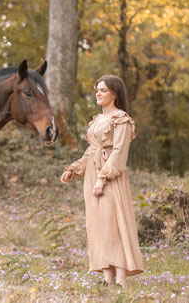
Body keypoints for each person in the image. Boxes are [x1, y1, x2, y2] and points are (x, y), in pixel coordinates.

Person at [60, 75, 144, 286]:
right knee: (98, 225)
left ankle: (121, 279)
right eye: (97, 90)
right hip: (92, 176)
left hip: (110, 177)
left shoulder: (121, 119)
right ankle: (107, 277)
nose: (98, 93)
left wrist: (102, 178)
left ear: (114, 93)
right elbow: (91, 151)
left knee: (113, 223)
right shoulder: (97, 120)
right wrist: (73, 169)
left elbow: (119, 152)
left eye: (103, 90)